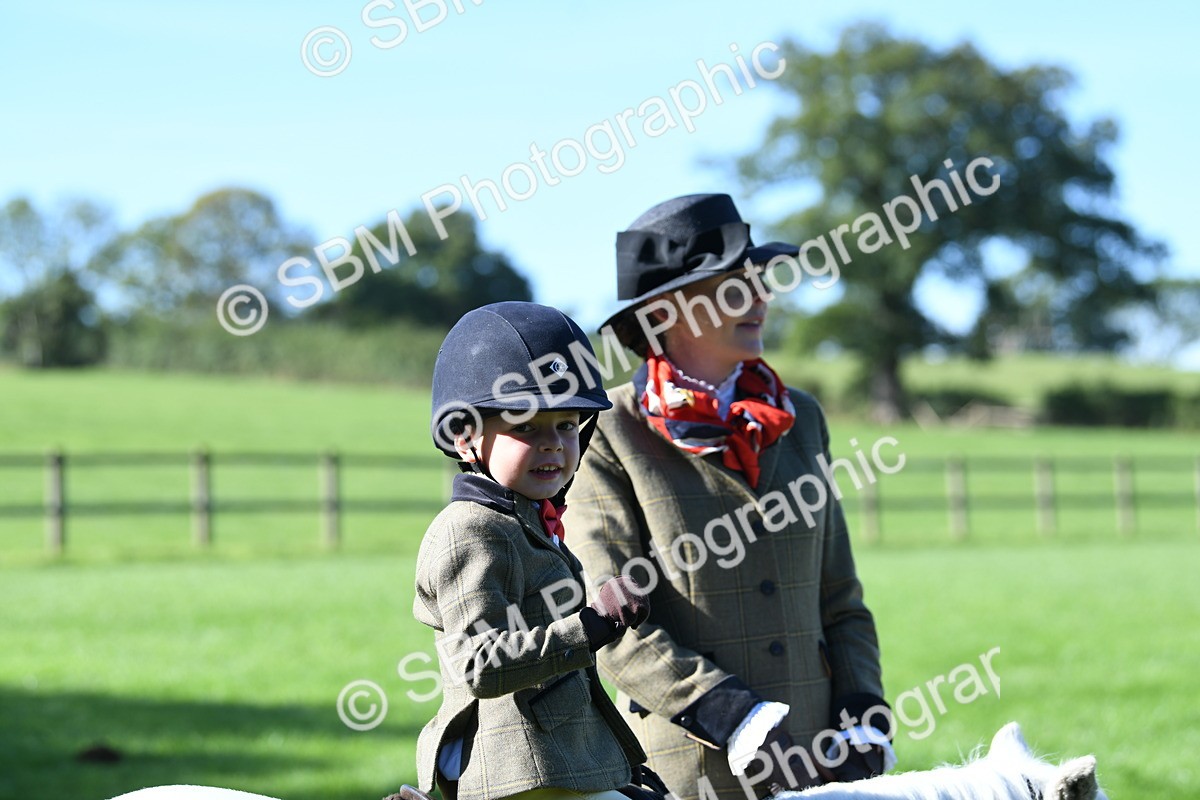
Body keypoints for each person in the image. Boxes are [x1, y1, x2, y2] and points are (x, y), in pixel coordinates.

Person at [568, 195, 895, 800]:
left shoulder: (802, 417)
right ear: (667, 308)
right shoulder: (606, 430)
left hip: (825, 765)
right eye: (735, 285)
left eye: (761, 281)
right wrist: (731, 714)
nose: (762, 298)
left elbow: (840, 598)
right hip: (694, 771)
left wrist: (862, 711)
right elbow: (606, 625)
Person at [413, 301, 670, 800]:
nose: (553, 444)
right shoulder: (470, 530)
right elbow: (481, 665)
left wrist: (623, 767)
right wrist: (592, 625)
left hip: (563, 765)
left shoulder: (525, 521)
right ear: (466, 435)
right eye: (526, 426)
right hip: (516, 774)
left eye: (567, 425)